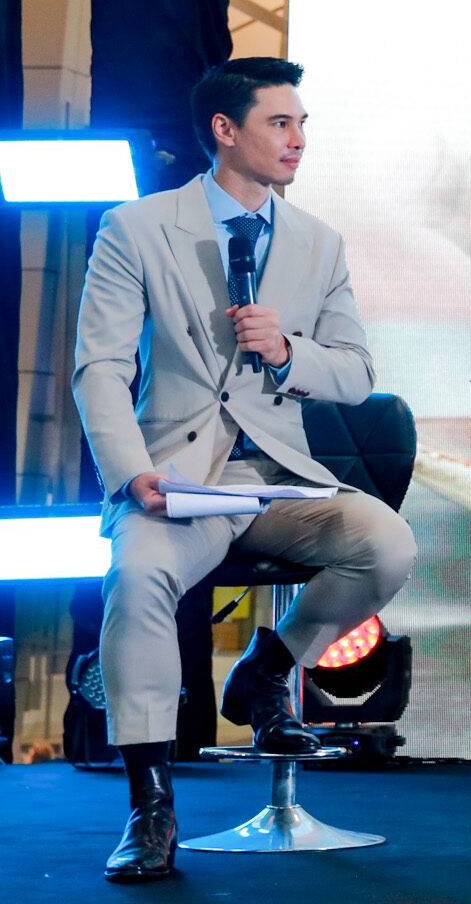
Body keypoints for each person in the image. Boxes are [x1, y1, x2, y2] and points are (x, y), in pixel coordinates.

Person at [75, 58, 417, 883]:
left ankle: (267, 670)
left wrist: (290, 351)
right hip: (177, 477)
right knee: (137, 577)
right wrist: (130, 474)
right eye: (279, 123)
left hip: (277, 475)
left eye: (302, 125)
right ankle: (151, 805)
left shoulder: (318, 241)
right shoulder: (137, 227)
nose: (298, 140)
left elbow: (356, 374)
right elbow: (100, 367)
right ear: (225, 131)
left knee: (387, 545)